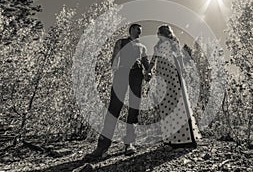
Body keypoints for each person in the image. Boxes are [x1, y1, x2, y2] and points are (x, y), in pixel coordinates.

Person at [84, 24, 151, 161]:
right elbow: (114, 57)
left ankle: (129, 143)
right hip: (122, 73)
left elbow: (146, 64)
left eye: (141, 30)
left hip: (137, 75)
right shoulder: (121, 42)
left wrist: (148, 73)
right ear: (131, 30)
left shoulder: (142, 47)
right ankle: (102, 146)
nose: (139, 31)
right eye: (137, 29)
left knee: (134, 108)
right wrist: (116, 71)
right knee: (114, 107)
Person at [146, 25, 201, 148]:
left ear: (164, 32)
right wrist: (148, 71)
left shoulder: (173, 42)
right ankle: (172, 139)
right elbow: (153, 60)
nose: (157, 35)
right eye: (157, 33)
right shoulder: (157, 46)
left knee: (178, 103)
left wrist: (182, 71)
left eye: (159, 32)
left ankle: (185, 139)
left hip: (172, 74)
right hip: (161, 76)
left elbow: (180, 57)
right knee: (166, 105)